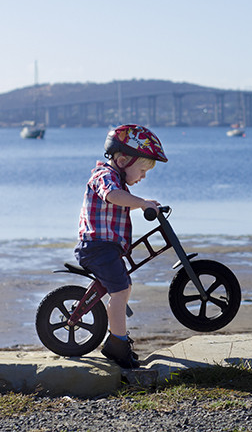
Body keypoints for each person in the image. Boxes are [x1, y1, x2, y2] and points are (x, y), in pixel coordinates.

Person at [74, 124, 167, 368]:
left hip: (106, 248)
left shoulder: (118, 179)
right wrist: (141, 203)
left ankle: (117, 338)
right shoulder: (104, 176)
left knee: (123, 288)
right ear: (123, 159)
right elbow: (112, 195)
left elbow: (122, 197)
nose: (143, 176)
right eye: (142, 170)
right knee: (120, 290)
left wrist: (145, 203)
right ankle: (117, 344)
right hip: (96, 247)